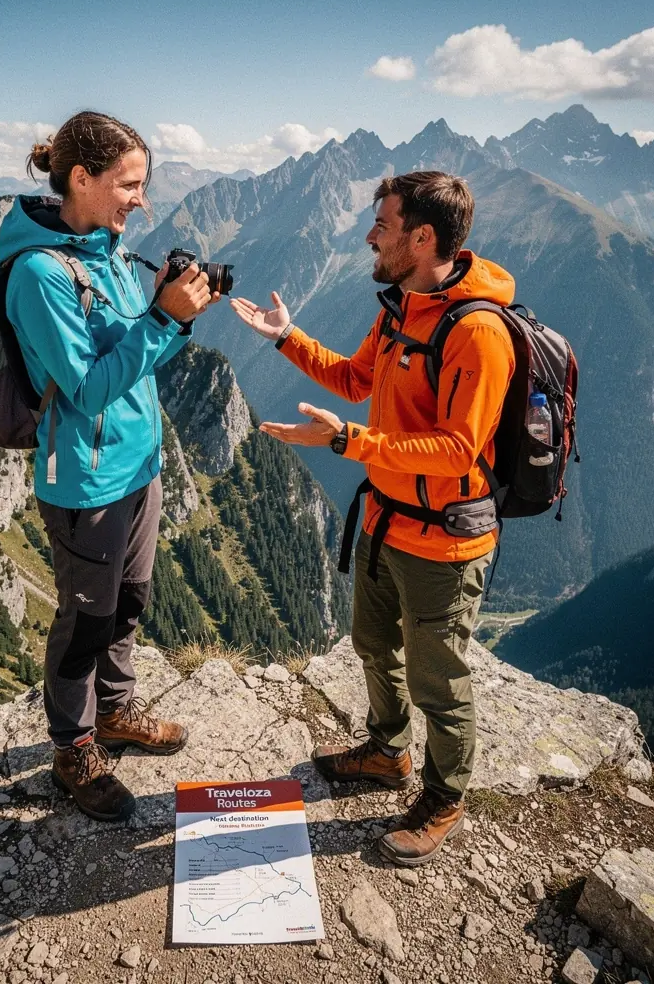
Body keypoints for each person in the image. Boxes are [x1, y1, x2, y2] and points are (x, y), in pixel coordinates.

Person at [230, 171, 515, 865]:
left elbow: (455, 452)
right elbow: (358, 379)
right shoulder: (401, 308)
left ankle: (444, 801)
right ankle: (388, 753)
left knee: (439, 682)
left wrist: (348, 442)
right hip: (386, 521)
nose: (368, 236)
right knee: (373, 645)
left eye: (382, 226)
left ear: (422, 238)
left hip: (444, 543)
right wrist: (287, 337)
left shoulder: (477, 332)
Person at [0, 111, 217, 822]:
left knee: (128, 605)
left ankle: (116, 712)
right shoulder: (40, 274)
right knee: (86, 621)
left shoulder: (108, 250)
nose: (141, 201)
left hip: (138, 466)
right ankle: (73, 749)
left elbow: (134, 358)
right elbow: (89, 388)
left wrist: (173, 312)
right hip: (86, 482)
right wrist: (164, 320)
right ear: (81, 178)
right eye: (130, 185)